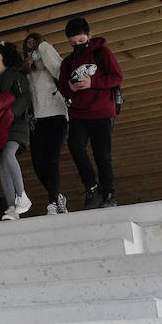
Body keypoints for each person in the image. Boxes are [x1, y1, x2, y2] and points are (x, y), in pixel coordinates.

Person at [57, 16, 124, 209]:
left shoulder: (102, 52)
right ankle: (91, 186)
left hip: (103, 111)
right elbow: (63, 87)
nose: (78, 45)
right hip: (79, 112)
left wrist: (92, 82)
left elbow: (117, 77)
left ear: (89, 35)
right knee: (75, 146)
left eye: (81, 40)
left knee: (102, 154)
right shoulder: (68, 62)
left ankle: (109, 193)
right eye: (73, 43)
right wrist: (71, 87)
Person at [0, 42, 33, 220]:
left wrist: (10, 113)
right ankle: (12, 207)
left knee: (9, 153)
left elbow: (25, 97)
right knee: (1, 161)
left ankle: (21, 196)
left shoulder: (15, 74)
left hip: (16, 123)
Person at [23, 33, 69, 215]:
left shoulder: (47, 57)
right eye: (28, 44)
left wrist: (42, 48)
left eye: (34, 42)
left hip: (56, 114)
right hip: (38, 119)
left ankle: (52, 202)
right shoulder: (28, 72)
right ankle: (57, 196)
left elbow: (59, 69)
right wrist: (26, 67)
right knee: (37, 163)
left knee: (52, 160)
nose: (31, 46)